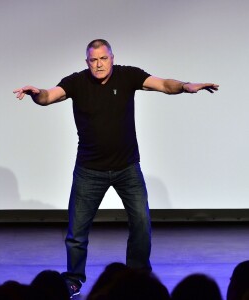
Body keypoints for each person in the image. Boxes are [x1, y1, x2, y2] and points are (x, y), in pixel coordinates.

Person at [13, 39, 219, 298]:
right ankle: (74, 279)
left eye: (103, 59)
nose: (99, 64)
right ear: (87, 62)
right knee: (77, 232)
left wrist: (186, 86)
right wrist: (36, 94)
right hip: (89, 169)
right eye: (93, 60)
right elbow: (48, 97)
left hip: (127, 168)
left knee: (141, 223)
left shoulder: (128, 75)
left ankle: (138, 275)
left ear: (112, 57)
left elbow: (164, 85)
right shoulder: (77, 82)